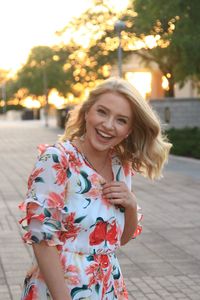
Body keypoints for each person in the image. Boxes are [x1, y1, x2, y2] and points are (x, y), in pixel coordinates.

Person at [19, 77, 172, 300]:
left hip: (108, 286)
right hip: (60, 287)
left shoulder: (121, 165)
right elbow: (42, 241)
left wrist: (131, 205)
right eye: (102, 112)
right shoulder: (57, 159)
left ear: (128, 130)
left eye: (121, 120)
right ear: (87, 112)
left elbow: (119, 240)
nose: (108, 125)